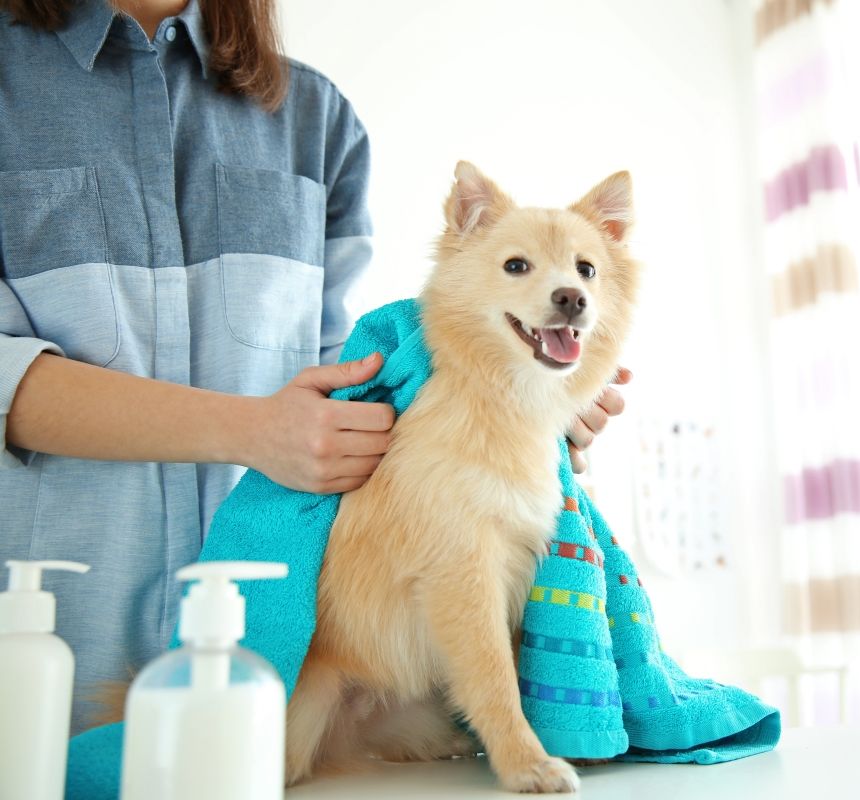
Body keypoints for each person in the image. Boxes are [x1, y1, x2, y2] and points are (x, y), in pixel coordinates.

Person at [0, 0, 627, 734]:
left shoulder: (316, 119)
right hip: (44, 657)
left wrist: (528, 407)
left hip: (295, 682)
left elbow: (350, 374)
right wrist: (253, 431)